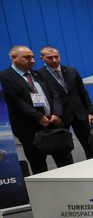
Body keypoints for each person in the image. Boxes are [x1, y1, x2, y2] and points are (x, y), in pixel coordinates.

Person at [1, 45, 72, 174]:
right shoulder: (5, 76)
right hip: (29, 127)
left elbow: (54, 94)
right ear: (13, 57)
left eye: (33, 57)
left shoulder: (39, 74)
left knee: (65, 160)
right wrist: (38, 117)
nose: (32, 60)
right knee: (38, 164)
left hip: (53, 124)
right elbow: (15, 101)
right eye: (27, 57)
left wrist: (57, 113)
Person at [37, 45, 93, 158]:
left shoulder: (71, 71)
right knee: (63, 148)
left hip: (79, 113)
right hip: (59, 116)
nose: (54, 60)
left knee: (89, 144)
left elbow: (83, 92)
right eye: (50, 57)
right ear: (42, 58)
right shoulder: (39, 75)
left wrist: (91, 112)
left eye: (56, 56)